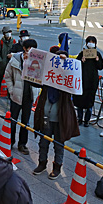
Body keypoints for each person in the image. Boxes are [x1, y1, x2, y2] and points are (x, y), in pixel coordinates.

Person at [33, 47, 80, 179]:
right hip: (46, 116)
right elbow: (33, 79)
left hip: (60, 118)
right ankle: (42, 163)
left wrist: (66, 65)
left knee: (59, 144)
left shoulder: (68, 80)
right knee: (43, 142)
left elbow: (76, 84)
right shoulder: (47, 77)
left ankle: (57, 166)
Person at [4, 38, 38, 155]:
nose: (31, 51)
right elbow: (7, 75)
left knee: (25, 122)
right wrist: (12, 90)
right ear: (24, 48)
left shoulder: (37, 61)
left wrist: (37, 91)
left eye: (34, 49)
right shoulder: (16, 59)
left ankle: (22, 144)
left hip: (29, 96)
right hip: (16, 95)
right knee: (13, 120)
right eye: (29, 48)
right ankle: (10, 141)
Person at [73, 36, 103, 127]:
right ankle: (79, 118)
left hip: (92, 82)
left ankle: (87, 120)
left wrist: (97, 60)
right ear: (86, 43)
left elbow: (100, 67)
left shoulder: (97, 54)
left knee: (89, 103)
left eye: (93, 42)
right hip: (82, 81)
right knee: (80, 102)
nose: (91, 44)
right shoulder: (82, 53)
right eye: (89, 42)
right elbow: (76, 65)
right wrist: (81, 61)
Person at [0, 26, 16, 101]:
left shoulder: (14, 41)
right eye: (7, 32)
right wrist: (1, 61)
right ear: (4, 33)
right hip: (2, 65)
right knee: (0, 79)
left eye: (9, 32)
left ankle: (9, 95)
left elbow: (16, 52)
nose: (8, 34)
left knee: (10, 80)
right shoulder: (0, 42)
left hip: (11, 63)